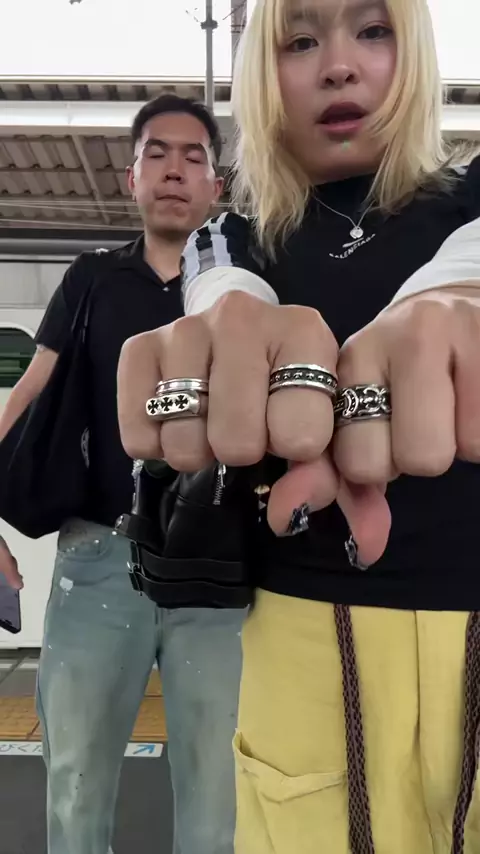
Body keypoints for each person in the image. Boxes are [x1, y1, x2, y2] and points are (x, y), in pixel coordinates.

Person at [115, 2, 480, 853]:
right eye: (301, 41)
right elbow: (221, 287)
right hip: (307, 636)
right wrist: (229, 323)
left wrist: (453, 292)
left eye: (374, 31)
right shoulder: (229, 235)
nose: (338, 66)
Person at [0, 94, 244, 854]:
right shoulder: (93, 280)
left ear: (216, 185)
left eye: (194, 157)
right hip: (99, 560)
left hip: (221, 567)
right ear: (131, 178)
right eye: (156, 155)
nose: (174, 170)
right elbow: (30, 393)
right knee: (74, 781)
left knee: (221, 793)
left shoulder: (246, 287)